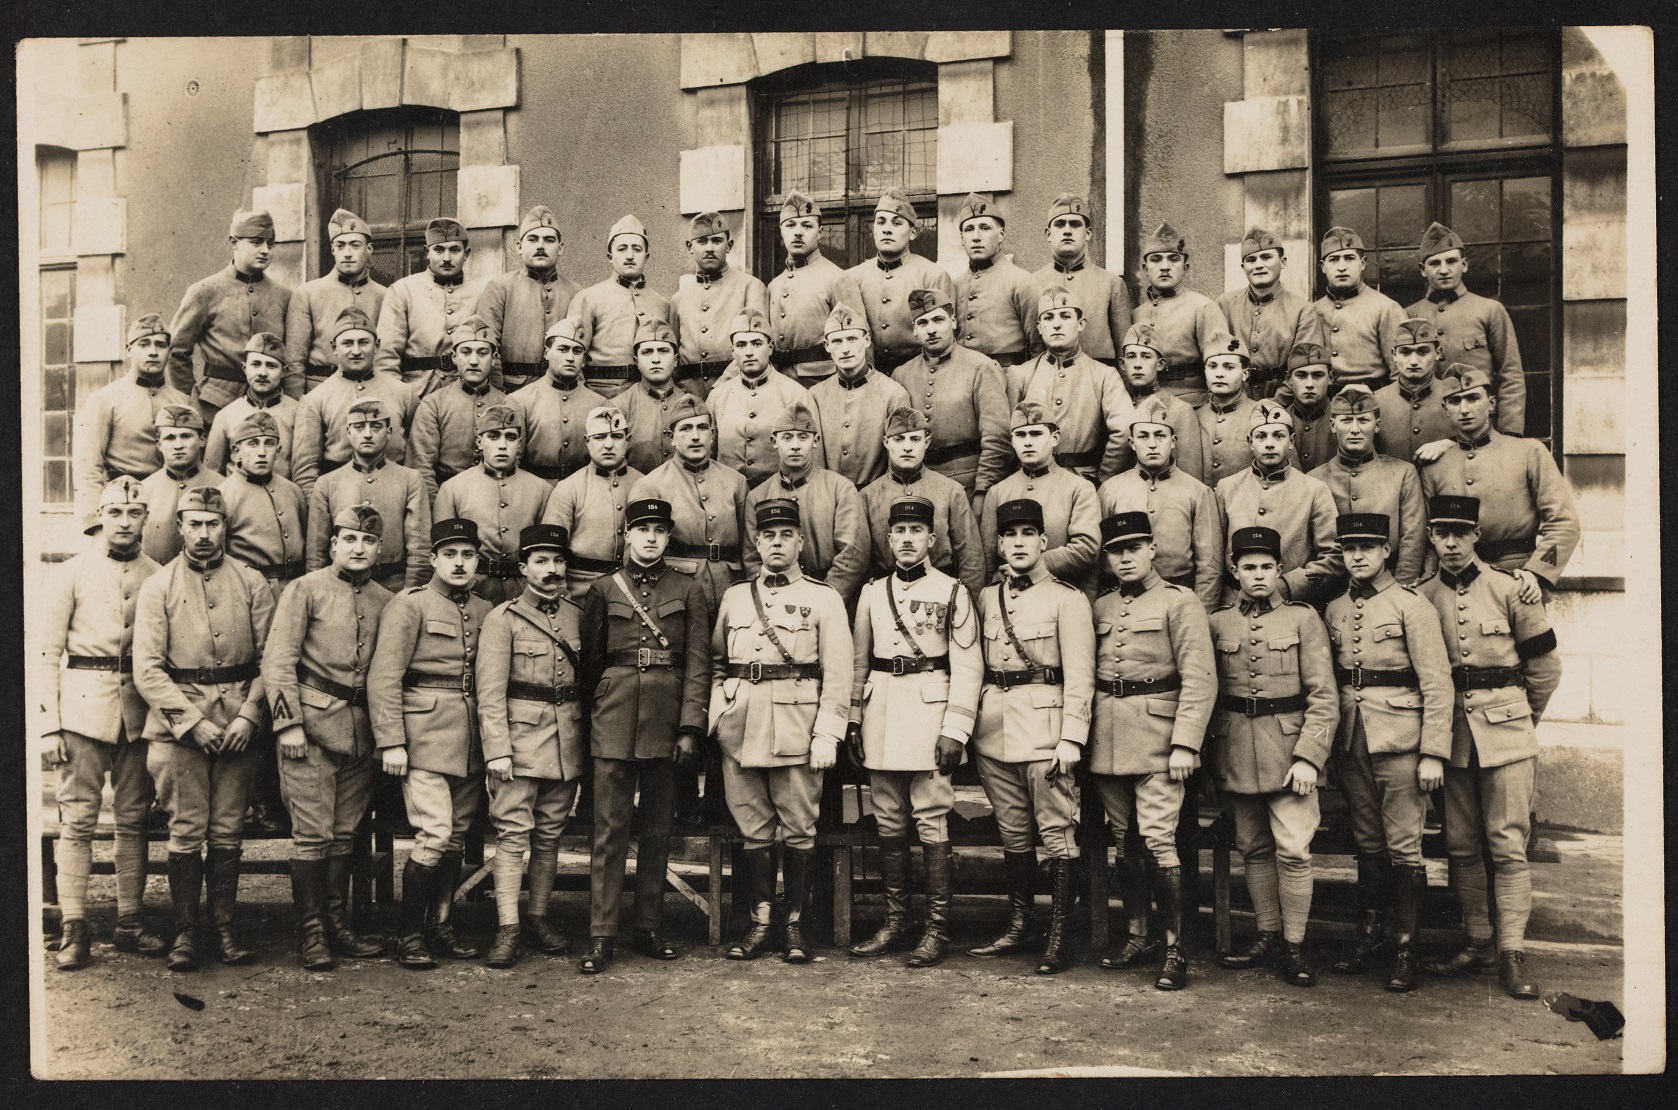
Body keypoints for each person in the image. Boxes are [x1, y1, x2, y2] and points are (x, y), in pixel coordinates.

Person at [1417, 495, 1562, 1000]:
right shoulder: (1419, 597)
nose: (1452, 543)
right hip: (1452, 738)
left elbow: (1545, 669)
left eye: (1461, 533)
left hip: (1507, 736)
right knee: (1460, 845)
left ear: (1477, 535)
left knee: (1507, 845)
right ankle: (1477, 942)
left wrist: (1520, 720)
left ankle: (1512, 951)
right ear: (1431, 537)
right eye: (1442, 533)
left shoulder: (1512, 590)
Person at [132, 486, 274, 971]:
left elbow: (270, 661)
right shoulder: (159, 585)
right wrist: (190, 723)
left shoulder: (252, 582)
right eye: (194, 523)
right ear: (180, 528)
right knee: (187, 828)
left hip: (237, 720)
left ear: (225, 527)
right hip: (179, 725)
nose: (204, 533)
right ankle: (186, 933)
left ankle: (225, 928)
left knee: (229, 828)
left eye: (212, 523)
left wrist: (249, 716)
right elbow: (147, 669)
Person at [711, 499, 852, 962]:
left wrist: (828, 733)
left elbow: (838, 673)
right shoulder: (735, 596)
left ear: (800, 543)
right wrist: (719, 714)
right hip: (740, 728)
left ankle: (794, 926)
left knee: (798, 829)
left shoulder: (823, 598)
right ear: (756, 542)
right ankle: (759, 923)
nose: (776, 543)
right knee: (753, 829)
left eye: (786, 535)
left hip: (797, 726)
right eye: (768, 536)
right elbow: (717, 662)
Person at [845, 494, 983, 966]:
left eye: (915, 532)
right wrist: (854, 719)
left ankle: (937, 927)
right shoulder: (871, 593)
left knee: (931, 818)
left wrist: (956, 729)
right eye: (899, 532)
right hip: (881, 714)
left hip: (930, 717)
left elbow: (968, 667)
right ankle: (896, 920)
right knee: (888, 820)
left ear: (931, 539)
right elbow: (860, 662)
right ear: (889, 540)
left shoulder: (953, 592)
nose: (906, 540)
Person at [577, 497, 712, 973]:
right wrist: (590, 724)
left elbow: (699, 663)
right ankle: (601, 934)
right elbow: (590, 666)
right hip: (612, 718)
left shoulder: (689, 589)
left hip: (666, 719)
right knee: (609, 832)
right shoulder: (602, 590)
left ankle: (649, 926)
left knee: (657, 831)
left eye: (660, 529)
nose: (651, 537)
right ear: (627, 535)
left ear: (668, 535)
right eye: (643, 529)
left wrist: (691, 726)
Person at [38, 478, 167, 969]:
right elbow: (47, 653)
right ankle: (75, 927)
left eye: (135, 513)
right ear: (100, 514)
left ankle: (130, 922)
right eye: (116, 512)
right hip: (81, 711)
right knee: (79, 822)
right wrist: (49, 726)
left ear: (145, 520)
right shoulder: (70, 573)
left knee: (134, 820)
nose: (125, 522)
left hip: (137, 714)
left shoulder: (158, 574)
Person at [1085, 510, 1216, 990]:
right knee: (1126, 843)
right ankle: (1138, 936)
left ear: (1152, 550)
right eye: (1116, 550)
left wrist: (1186, 742)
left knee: (1160, 839)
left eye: (1133, 548)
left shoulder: (1180, 603)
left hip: (1160, 740)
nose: (1124, 557)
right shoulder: (1099, 607)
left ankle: (1176, 947)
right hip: (1108, 741)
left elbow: (1199, 678)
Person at [1322, 512, 1453, 993]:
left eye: (1367, 548)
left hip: (1400, 741)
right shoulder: (1335, 608)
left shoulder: (1411, 606)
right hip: (1352, 740)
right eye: (1349, 548)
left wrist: (1434, 751)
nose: (1357, 556)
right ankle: (1370, 938)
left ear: (1385, 553)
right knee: (1367, 843)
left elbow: (1437, 683)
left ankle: (1405, 948)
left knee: (1404, 846)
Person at [261, 504, 393, 970]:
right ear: (333, 544)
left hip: (360, 732)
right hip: (311, 729)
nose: (358, 548)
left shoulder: (386, 599)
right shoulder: (305, 589)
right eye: (349, 539)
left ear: (379, 550)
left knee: (343, 835)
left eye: (368, 541)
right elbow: (277, 661)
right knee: (312, 836)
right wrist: (288, 723)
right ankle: (312, 933)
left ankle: (338, 925)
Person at [969, 498, 1095, 975]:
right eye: (1009, 536)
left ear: (1044, 542)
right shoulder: (985, 597)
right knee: (1013, 833)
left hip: (1046, 732)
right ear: (999, 544)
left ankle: (1059, 936)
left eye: (1028, 535)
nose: (1018, 543)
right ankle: (1020, 924)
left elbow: (1080, 677)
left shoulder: (1067, 599)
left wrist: (1072, 739)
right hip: (993, 731)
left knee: (1058, 832)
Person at [1208, 525, 1338, 987]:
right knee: (1253, 848)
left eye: (1267, 567)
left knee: (1295, 851)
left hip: (1290, 752)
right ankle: (1266, 933)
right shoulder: (1219, 622)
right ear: (1234, 571)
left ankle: (1294, 944)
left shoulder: (1304, 619)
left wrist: (1310, 757)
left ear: (1280, 570)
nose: (1258, 575)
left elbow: (1324, 697)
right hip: (1236, 750)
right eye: (1249, 568)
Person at [369, 518, 493, 970]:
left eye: (468, 555)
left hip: (470, 737)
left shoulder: (484, 610)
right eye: (451, 555)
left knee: (456, 836)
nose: (459, 564)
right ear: (435, 560)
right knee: (434, 832)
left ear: (478, 561)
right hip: (421, 736)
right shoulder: (410, 605)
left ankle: (440, 924)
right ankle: (408, 934)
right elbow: (384, 677)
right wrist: (391, 741)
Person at [475, 524, 591, 968]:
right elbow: (490, 693)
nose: (552, 570)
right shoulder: (502, 620)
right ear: (523, 568)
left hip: (565, 742)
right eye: (541, 561)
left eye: (558, 561)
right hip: (519, 744)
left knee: (549, 836)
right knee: (512, 835)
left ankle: (539, 917)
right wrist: (497, 750)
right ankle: (508, 927)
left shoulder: (575, 615)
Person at [1419, 365, 1580, 596]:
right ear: (1445, 409)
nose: (1464, 409)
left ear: (1491, 403)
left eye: (1473, 398)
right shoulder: (1434, 466)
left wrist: (1536, 574)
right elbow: (1428, 539)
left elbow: (1565, 524)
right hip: (1454, 585)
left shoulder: (1529, 452)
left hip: (1517, 580)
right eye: (1455, 401)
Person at [1215, 399, 1345, 607]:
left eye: (1278, 436)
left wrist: (1288, 585)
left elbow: (1334, 554)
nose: (1269, 443)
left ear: (1291, 441)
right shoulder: (1227, 488)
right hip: (1235, 603)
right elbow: (1214, 556)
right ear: (1250, 442)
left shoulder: (1313, 489)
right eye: (1261, 436)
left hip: (1290, 604)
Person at [1097, 395, 1223, 609]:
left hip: (1178, 600)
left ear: (1173, 441)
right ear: (1132, 443)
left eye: (1160, 436)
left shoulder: (1197, 492)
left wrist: (1201, 613)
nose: (1152, 444)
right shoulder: (1111, 489)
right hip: (1122, 601)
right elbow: (1096, 558)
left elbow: (1209, 565)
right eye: (1143, 436)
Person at [167, 208, 293, 421]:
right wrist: (190, 399)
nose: (265, 250)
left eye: (270, 245)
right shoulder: (205, 291)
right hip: (214, 405)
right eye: (256, 243)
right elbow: (176, 351)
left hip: (267, 407)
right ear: (234, 243)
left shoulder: (284, 296)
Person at [891, 286, 1012, 507]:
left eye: (939, 320)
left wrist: (982, 492)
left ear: (954, 322)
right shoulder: (902, 374)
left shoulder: (981, 367)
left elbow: (997, 438)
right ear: (914, 330)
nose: (931, 330)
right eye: (923, 323)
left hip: (967, 484)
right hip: (919, 487)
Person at [743, 401, 871, 607]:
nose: (795, 445)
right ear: (774, 441)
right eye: (787, 438)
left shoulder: (840, 488)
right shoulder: (757, 496)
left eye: (803, 437)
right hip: (775, 599)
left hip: (828, 596)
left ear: (815, 440)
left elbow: (853, 555)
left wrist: (822, 600)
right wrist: (773, 600)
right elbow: (752, 558)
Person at [73, 314, 193, 533]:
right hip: (125, 506)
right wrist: (94, 523)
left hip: (173, 508)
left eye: (161, 345)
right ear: (129, 350)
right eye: (144, 344)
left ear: (169, 351)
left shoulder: (183, 402)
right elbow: (88, 466)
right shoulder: (104, 400)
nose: (153, 352)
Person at [859, 407, 987, 604]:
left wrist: (967, 607)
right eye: (899, 439)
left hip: (940, 597)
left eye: (915, 439)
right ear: (886, 442)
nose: (907, 447)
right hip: (887, 599)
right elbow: (862, 560)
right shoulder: (867, 497)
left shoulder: (951, 491)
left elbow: (970, 557)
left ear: (927, 442)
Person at [1406, 222, 1525, 435]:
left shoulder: (1489, 310)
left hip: (1479, 428)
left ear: (1465, 264)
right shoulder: (1409, 315)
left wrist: (1510, 433)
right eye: (1435, 263)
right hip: (1427, 429)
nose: (1444, 270)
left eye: (1451, 261)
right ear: (1423, 270)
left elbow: (1511, 374)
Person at [1006, 288, 1135, 483]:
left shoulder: (1104, 375)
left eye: (1065, 316)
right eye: (1048, 318)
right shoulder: (1020, 374)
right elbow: (1005, 435)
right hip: (1029, 481)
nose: (1056, 325)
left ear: (1081, 324)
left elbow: (1124, 430)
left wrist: (1103, 478)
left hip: (1083, 479)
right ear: (1040, 328)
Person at [290, 306, 418, 499]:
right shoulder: (315, 399)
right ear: (334, 347)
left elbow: (416, 457)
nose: (356, 351)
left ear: (377, 346)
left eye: (363, 342)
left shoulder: (404, 393)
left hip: (393, 495)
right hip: (338, 498)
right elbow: (305, 470)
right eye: (348, 343)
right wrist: (320, 509)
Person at [305, 398, 430, 594]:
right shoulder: (327, 483)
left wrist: (410, 594)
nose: (368, 434)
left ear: (388, 433)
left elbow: (419, 548)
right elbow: (316, 554)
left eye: (376, 426)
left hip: (393, 587)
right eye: (359, 427)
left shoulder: (410, 479)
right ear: (348, 432)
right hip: (340, 589)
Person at [979, 402, 1102, 598]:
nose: (1028, 442)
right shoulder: (998, 492)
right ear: (1012, 441)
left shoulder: (1079, 488)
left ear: (1055, 438)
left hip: (1059, 595)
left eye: (1036, 434)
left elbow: (1086, 548)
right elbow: (988, 559)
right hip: (1010, 599)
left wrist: (1033, 566)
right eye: (1021, 435)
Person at [1309, 385, 1427, 586]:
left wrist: (1397, 592)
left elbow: (1412, 541)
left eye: (1363, 420)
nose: (1355, 429)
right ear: (1332, 425)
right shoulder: (1314, 479)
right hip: (1332, 588)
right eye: (1346, 420)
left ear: (1377, 425)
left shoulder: (1402, 473)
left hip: (1390, 583)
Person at [434, 404, 552, 604]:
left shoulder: (541, 489)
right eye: (494, 436)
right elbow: (444, 552)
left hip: (524, 591)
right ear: (479, 441)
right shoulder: (452, 489)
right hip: (472, 591)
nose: (503, 445)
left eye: (510, 437)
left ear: (520, 443)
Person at [838, 188, 955, 375]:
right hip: (870, 375)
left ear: (913, 232)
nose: (886, 229)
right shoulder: (853, 278)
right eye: (880, 222)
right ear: (873, 228)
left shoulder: (932, 275)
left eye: (897, 223)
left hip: (921, 373)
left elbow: (945, 338)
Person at [570, 215, 676, 401]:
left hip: (649, 398)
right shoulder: (588, 298)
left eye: (637, 249)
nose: (629, 255)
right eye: (622, 249)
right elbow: (573, 356)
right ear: (610, 257)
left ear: (646, 256)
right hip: (601, 396)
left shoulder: (662, 304)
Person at [542, 405, 643, 601]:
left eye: (616, 437)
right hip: (581, 592)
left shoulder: (644, 484)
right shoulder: (568, 488)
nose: (608, 445)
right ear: (587, 442)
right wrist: (563, 599)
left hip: (633, 592)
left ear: (628, 440)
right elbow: (551, 550)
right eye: (599, 437)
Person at [808, 302, 913, 488]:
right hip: (830, 496)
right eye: (837, 341)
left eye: (852, 339)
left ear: (866, 340)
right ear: (826, 346)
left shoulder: (893, 393)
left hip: (875, 497)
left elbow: (898, 463)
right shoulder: (815, 395)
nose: (845, 349)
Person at [479, 205, 583, 393]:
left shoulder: (577, 293)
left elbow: (583, 351)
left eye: (549, 240)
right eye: (533, 239)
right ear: (519, 247)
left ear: (560, 248)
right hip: (512, 391)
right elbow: (487, 348)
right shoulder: (500, 288)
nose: (541, 246)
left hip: (563, 392)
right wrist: (498, 394)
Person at [375, 217, 488, 386]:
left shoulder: (482, 292)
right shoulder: (403, 291)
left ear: (467, 254)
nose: (447, 258)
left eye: (455, 250)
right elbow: (386, 358)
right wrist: (400, 400)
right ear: (427, 252)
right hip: (417, 394)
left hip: (466, 393)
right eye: (439, 250)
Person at [285, 208, 387, 395]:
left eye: (355, 245)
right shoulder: (308, 293)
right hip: (321, 391)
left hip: (371, 392)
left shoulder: (385, 295)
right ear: (333, 249)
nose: (347, 253)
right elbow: (294, 361)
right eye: (340, 246)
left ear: (369, 249)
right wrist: (297, 406)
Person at [709, 308, 814, 487]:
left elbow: (811, 462)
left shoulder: (795, 394)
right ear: (732, 351)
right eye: (741, 345)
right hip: (728, 494)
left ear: (770, 347)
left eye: (757, 343)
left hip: (779, 495)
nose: (749, 352)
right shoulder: (717, 397)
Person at [408, 314, 509, 499]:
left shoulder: (507, 404)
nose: (473, 361)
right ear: (454, 357)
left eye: (482, 353)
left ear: (494, 358)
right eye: (466, 352)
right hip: (445, 498)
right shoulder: (433, 404)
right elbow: (421, 466)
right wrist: (439, 509)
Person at [1216, 227, 1324, 399]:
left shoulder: (1302, 310)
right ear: (1243, 267)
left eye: (1266, 257)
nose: (1259, 265)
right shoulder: (1224, 305)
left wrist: (1275, 406)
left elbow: (1303, 369)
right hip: (1234, 403)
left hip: (1283, 406)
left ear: (1283, 262)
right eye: (1251, 260)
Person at [671, 211, 769, 397]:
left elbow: (757, 348)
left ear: (729, 245)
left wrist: (721, 388)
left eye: (717, 241)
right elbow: (673, 355)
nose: (710, 248)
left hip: (734, 391)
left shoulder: (750, 287)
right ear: (689, 247)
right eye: (702, 241)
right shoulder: (678, 299)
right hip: (688, 395)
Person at [1030, 193, 1131, 366]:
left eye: (1075, 224)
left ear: (1088, 233)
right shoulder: (1031, 283)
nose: (1067, 230)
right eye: (1060, 224)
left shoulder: (1111, 283)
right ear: (1048, 234)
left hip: (1097, 383)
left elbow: (1125, 352)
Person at [1132, 223, 1226, 407]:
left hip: (1192, 404)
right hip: (1146, 406)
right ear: (1145, 268)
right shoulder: (1136, 315)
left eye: (1174, 259)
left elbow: (1221, 366)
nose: (1165, 267)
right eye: (1156, 259)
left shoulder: (1203, 307)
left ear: (1186, 267)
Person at [220, 410, 309, 596]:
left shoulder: (293, 491)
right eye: (253, 444)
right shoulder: (224, 495)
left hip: (297, 588)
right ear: (237, 452)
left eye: (269, 443)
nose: (262, 452)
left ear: (278, 451)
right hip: (252, 591)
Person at [510, 316, 608, 484]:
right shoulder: (520, 401)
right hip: (536, 491)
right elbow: (513, 463)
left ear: (583, 359)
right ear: (547, 353)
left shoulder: (599, 404)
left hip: (583, 492)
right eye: (563, 349)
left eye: (577, 351)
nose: (570, 357)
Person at [766, 191, 848, 386]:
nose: (797, 232)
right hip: (779, 383)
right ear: (781, 231)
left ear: (819, 232)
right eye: (790, 225)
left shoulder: (837, 278)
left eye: (807, 225)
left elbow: (859, 342)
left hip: (821, 381)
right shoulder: (774, 285)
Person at [950, 192, 1039, 367]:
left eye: (985, 228)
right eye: (969, 229)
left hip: (1008, 378)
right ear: (962, 238)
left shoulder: (1021, 282)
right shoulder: (955, 285)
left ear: (1001, 235)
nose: (976, 236)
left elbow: (1039, 347)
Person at [1315, 226, 1406, 391]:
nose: (1341, 267)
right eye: (1333, 260)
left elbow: (1399, 371)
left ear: (1362, 263)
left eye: (1349, 258)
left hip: (1372, 399)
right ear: (1322, 267)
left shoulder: (1386, 307)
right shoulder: (1313, 311)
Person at [1116, 322, 1204, 484]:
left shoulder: (1179, 410)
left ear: (1161, 364)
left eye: (1146, 356)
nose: (1137, 364)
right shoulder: (1114, 403)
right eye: (1131, 356)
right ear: (1122, 364)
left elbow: (1190, 477)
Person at [137, 405, 224, 566]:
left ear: (202, 440)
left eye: (185, 436)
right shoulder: (144, 490)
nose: (178, 445)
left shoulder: (224, 487)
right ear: (159, 443)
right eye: (170, 438)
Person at [205, 332, 299, 480]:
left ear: (284, 372)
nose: (262, 373)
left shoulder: (298, 412)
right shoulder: (226, 415)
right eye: (255, 364)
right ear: (244, 368)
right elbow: (212, 474)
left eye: (271, 366)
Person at [1373, 318, 1457, 465]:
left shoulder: (1456, 395)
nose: (1413, 361)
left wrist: (1452, 444)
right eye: (1405, 353)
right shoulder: (1376, 400)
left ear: (1437, 353)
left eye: (1423, 352)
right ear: (1394, 355)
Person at [616, 319, 687, 475]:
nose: (656, 359)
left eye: (663, 351)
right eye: (647, 352)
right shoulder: (619, 407)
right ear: (636, 361)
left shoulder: (689, 404)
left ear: (675, 360)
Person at [1193, 333, 1260, 487]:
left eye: (1229, 367)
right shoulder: (1194, 416)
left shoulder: (1259, 414)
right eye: (1212, 366)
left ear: (1245, 373)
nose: (1219, 373)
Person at [1272, 343, 1337, 473]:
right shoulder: (1278, 421)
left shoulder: (1342, 421)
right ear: (1289, 379)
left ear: (1330, 378)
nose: (1309, 384)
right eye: (1301, 376)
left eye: (1317, 375)